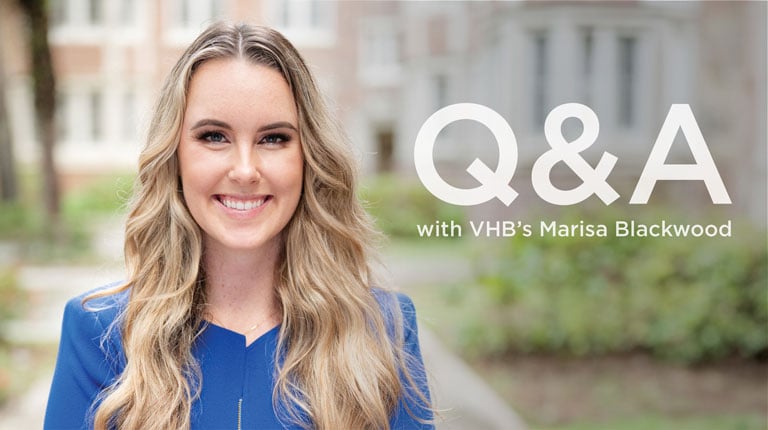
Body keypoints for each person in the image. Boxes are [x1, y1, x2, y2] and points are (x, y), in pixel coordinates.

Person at [44, 22, 433, 430]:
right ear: (174, 155)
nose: (245, 170)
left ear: (309, 156)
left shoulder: (381, 327)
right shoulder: (99, 333)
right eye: (214, 136)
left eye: (273, 139)